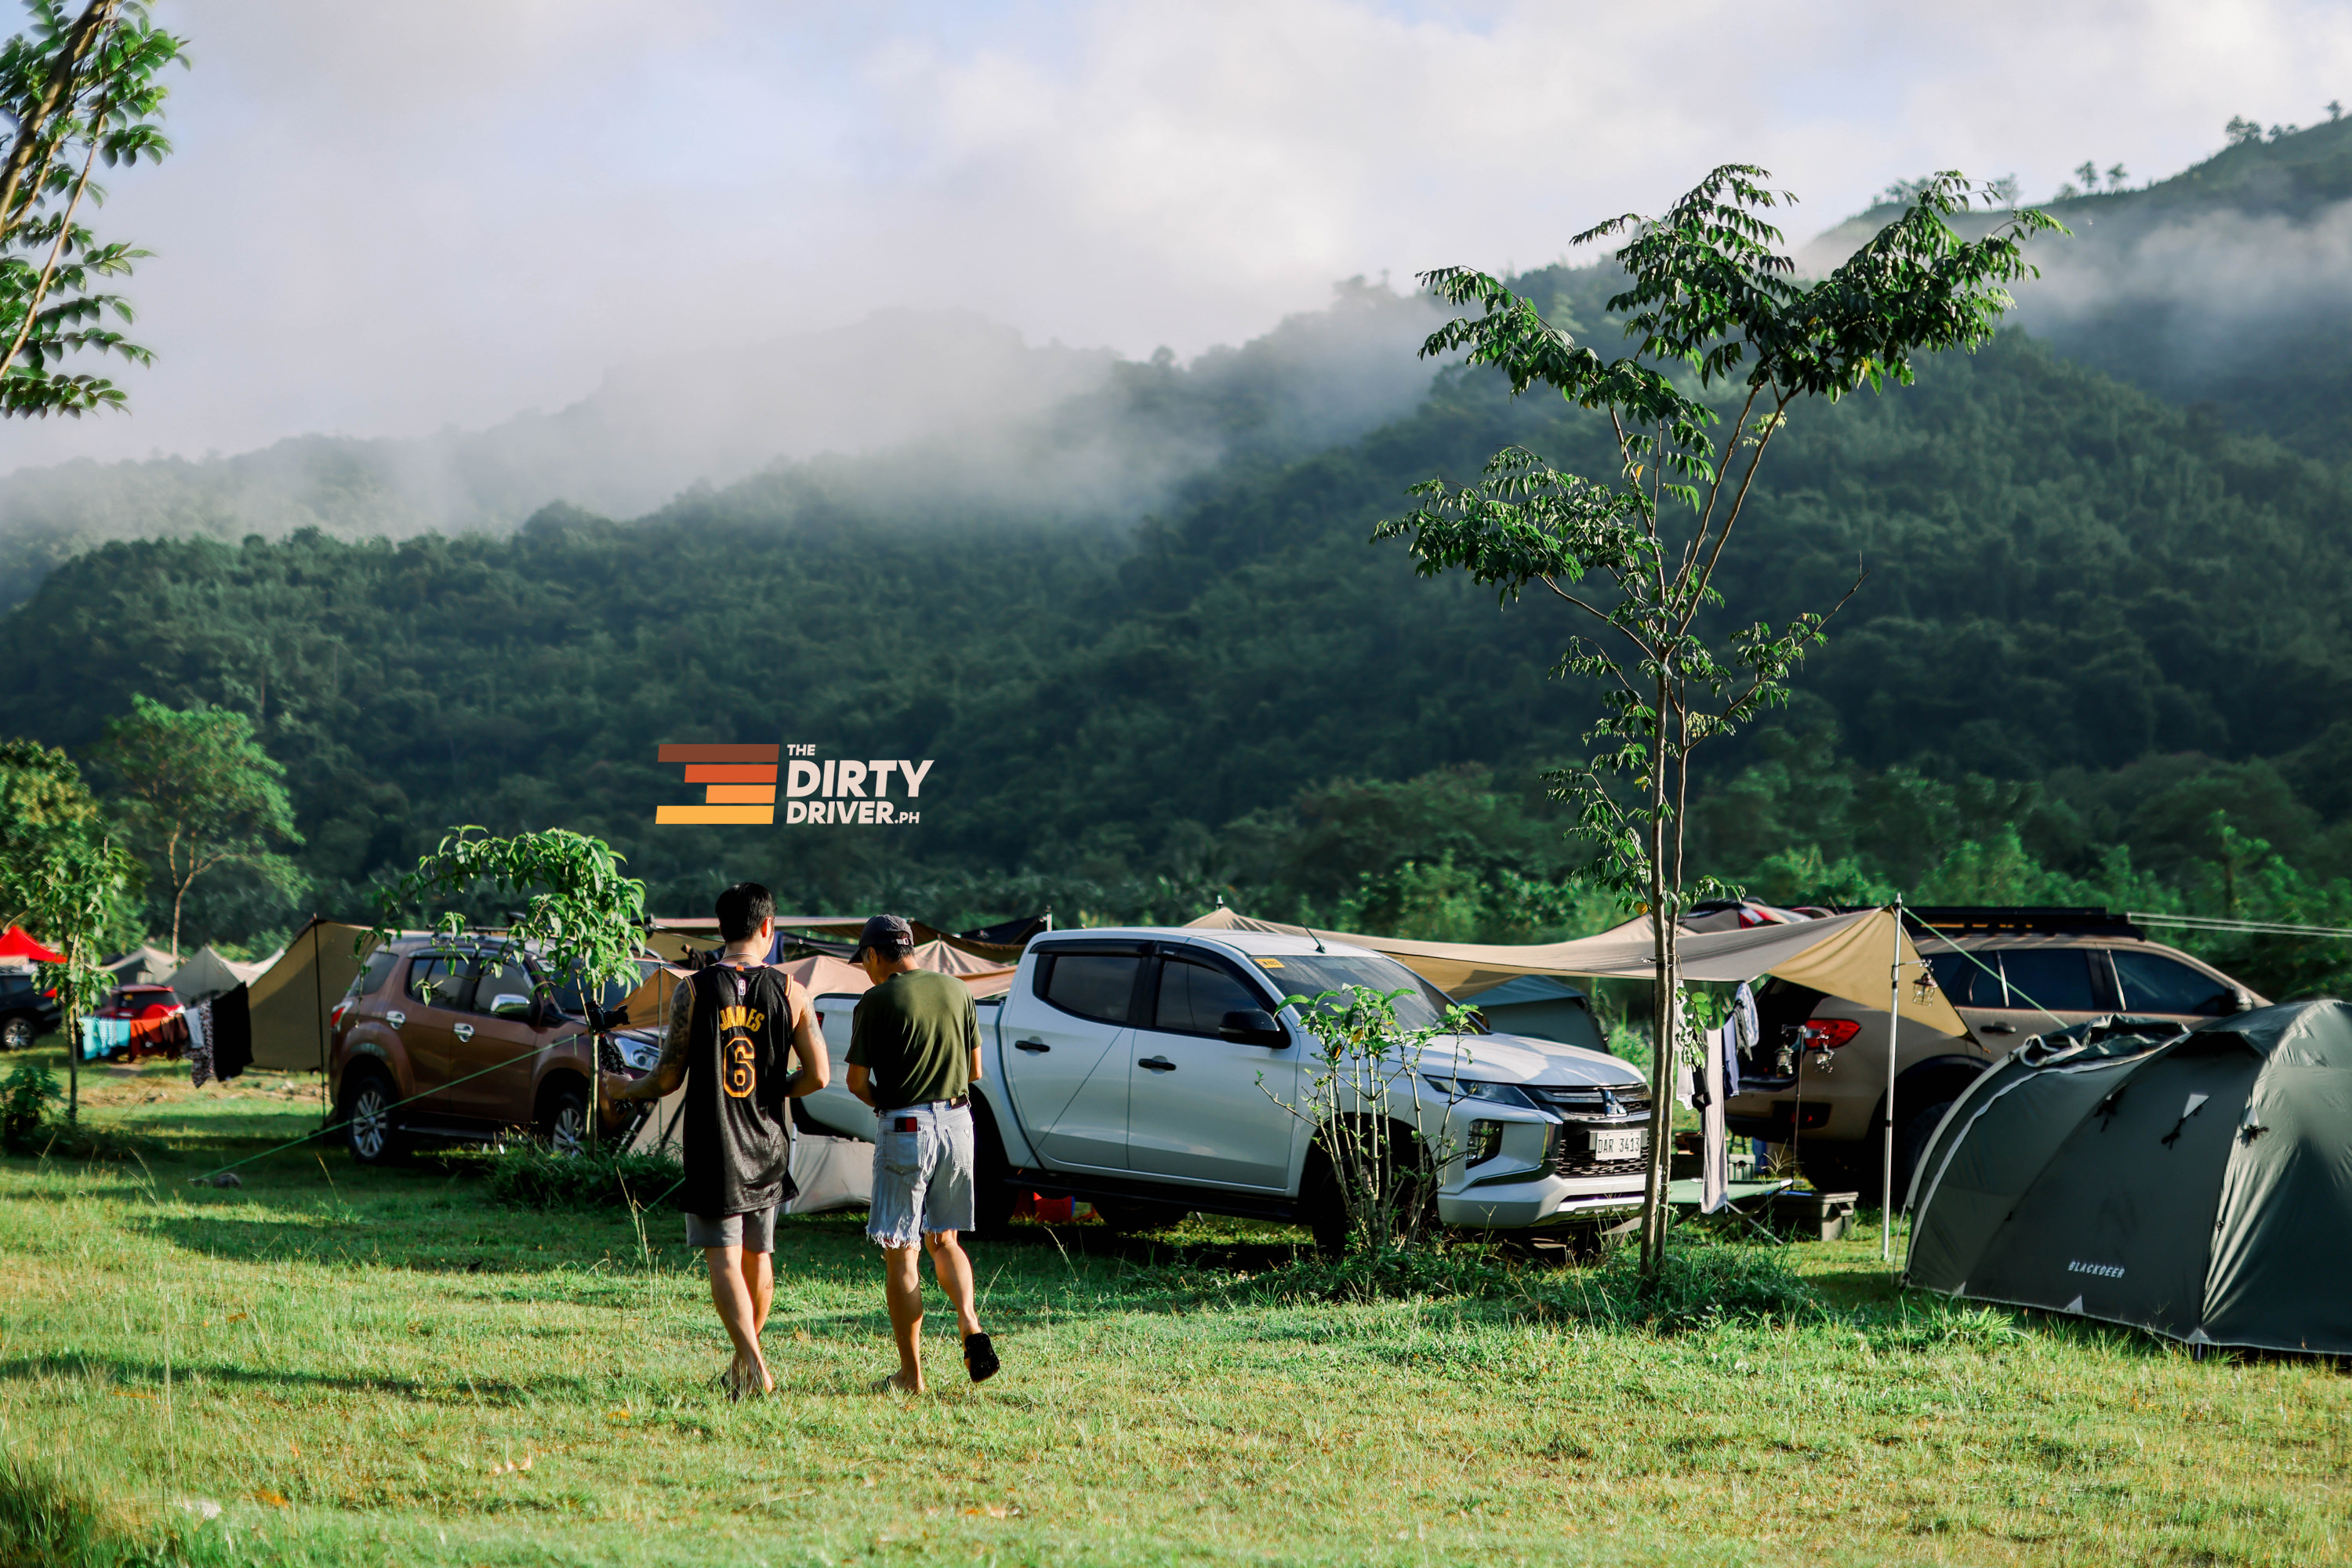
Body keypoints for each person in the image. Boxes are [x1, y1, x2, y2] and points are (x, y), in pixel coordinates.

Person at [602, 882, 828, 1398]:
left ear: (720, 928)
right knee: (758, 1256)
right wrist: (777, 1088)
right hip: (768, 1146)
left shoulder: (694, 989)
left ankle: (752, 1363)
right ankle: (742, 1369)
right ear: (768, 928)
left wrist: (623, 1088)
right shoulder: (793, 992)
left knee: (723, 1260)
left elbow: (666, 1079)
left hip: (714, 1145)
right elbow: (818, 1077)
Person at [845, 913, 999, 1392]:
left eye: (864, 961)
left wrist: (887, 1105)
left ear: (874, 954)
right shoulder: (958, 990)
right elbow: (974, 1069)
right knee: (945, 1241)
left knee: (902, 1253)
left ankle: (911, 1375)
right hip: (959, 1123)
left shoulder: (876, 1000)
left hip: (907, 1126)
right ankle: (971, 1324)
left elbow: (855, 1082)